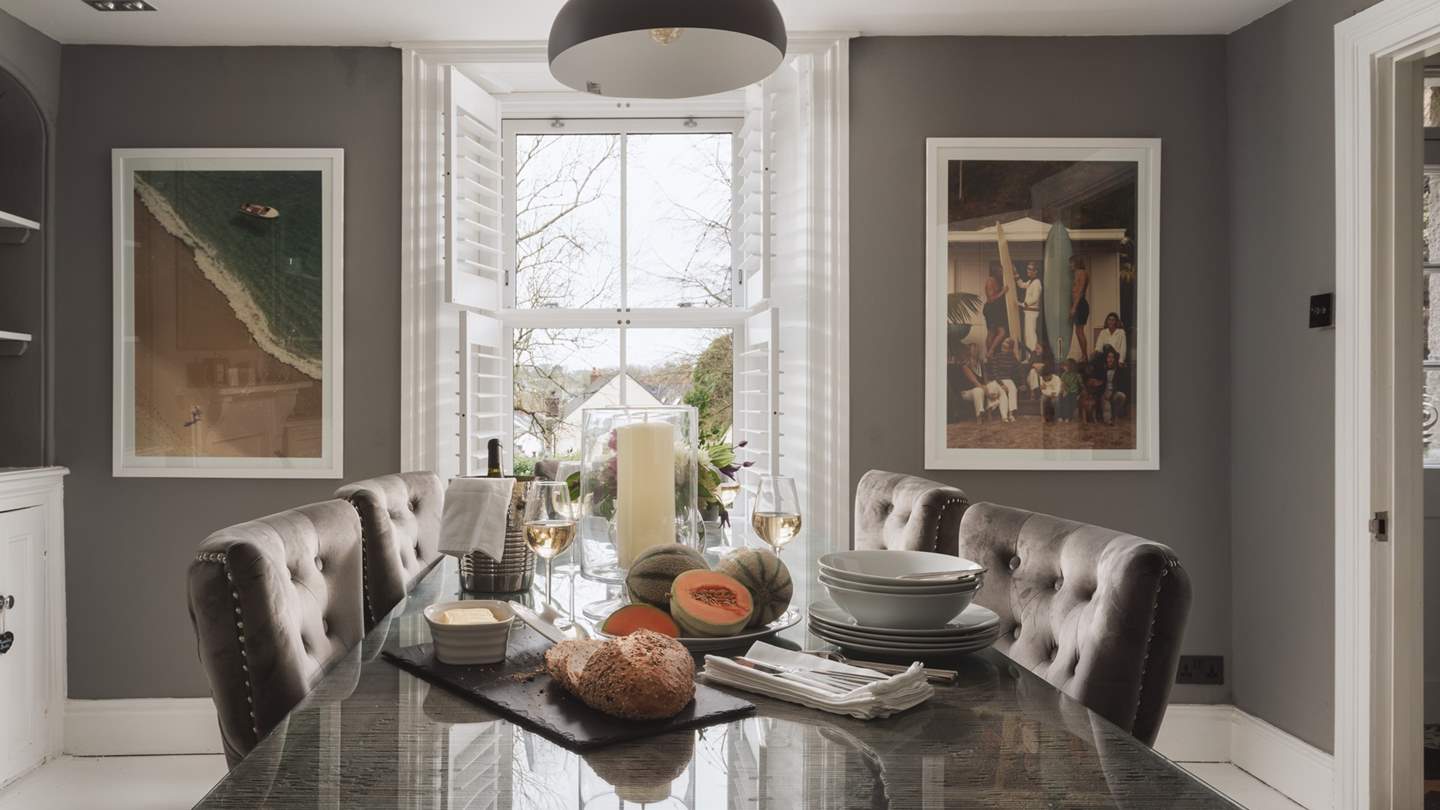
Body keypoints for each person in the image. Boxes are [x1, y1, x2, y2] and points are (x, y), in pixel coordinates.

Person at [985, 338, 1022, 422]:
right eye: (1003, 343)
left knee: (1013, 389)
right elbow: (995, 373)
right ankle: (1004, 416)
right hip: (998, 380)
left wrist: (1021, 383)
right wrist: (1002, 384)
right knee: (1003, 394)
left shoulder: (1012, 358)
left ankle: (1011, 414)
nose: (1003, 344)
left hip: (1008, 379)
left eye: (1006, 343)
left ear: (1010, 347)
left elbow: (1018, 370)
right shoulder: (997, 357)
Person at [955, 343, 989, 422]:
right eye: (974, 349)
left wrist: (988, 387)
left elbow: (986, 379)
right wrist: (986, 390)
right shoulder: (965, 365)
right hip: (966, 392)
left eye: (977, 349)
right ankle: (979, 416)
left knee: (992, 386)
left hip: (980, 388)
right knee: (978, 390)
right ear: (969, 351)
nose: (976, 351)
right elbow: (975, 382)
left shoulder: (981, 364)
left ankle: (992, 411)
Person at [983, 263, 1010, 358]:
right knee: (992, 332)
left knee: (1001, 332)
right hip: (990, 309)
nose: (1002, 273)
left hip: (995, 310)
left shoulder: (997, 281)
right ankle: (990, 353)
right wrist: (1003, 292)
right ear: (996, 271)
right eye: (1001, 271)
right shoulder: (990, 281)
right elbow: (991, 299)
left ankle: (990, 352)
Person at [1017, 261, 1043, 353]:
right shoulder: (1031, 281)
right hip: (1029, 312)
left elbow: (1035, 298)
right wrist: (1016, 276)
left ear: (1036, 271)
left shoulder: (1037, 282)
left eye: (1030, 269)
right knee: (1028, 336)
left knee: (1031, 336)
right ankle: (1029, 357)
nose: (1028, 271)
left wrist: (1023, 304)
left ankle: (1033, 356)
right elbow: (1022, 285)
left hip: (1032, 312)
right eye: (1028, 269)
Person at [1099, 348, 1129, 425]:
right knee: (1106, 406)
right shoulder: (1102, 369)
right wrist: (1105, 393)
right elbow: (1100, 384)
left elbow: (1120, 384)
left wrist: (1112, 393)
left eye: (1112, 357)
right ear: (1106, 358)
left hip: (1114, 391)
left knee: (1122, 396)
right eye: (1109, 357)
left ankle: (1116, 414)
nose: (1110, 359)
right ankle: (1108, 419)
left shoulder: (1118, 370)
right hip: (1104, 392)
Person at [1070, 255, 1091, 360]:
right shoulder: (1077, 273)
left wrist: (1074, 307)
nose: (1070, 265)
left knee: (1079, 331)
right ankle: (1084, 355)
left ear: (1076, 263)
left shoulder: (1081, 272)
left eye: (1071, 263)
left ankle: (1084, 355)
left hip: (1080, 304)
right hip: (1078, 304)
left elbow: (1080, 291)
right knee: (1078, 331)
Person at [1059, 358, 1082, 423]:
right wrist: (1063, 391)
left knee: (1068, 399)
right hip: (1065, 391)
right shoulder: (1064, 374)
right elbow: (1062, 384)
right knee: (1062, 398)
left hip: (1074, 392)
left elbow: (1080, 385)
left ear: (1071, 366)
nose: (1064, 367)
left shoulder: (1077, 375)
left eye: (1066, 366)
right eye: (1064, 366)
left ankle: (1068, 416)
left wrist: (1079, 394)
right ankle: (1062, 416)